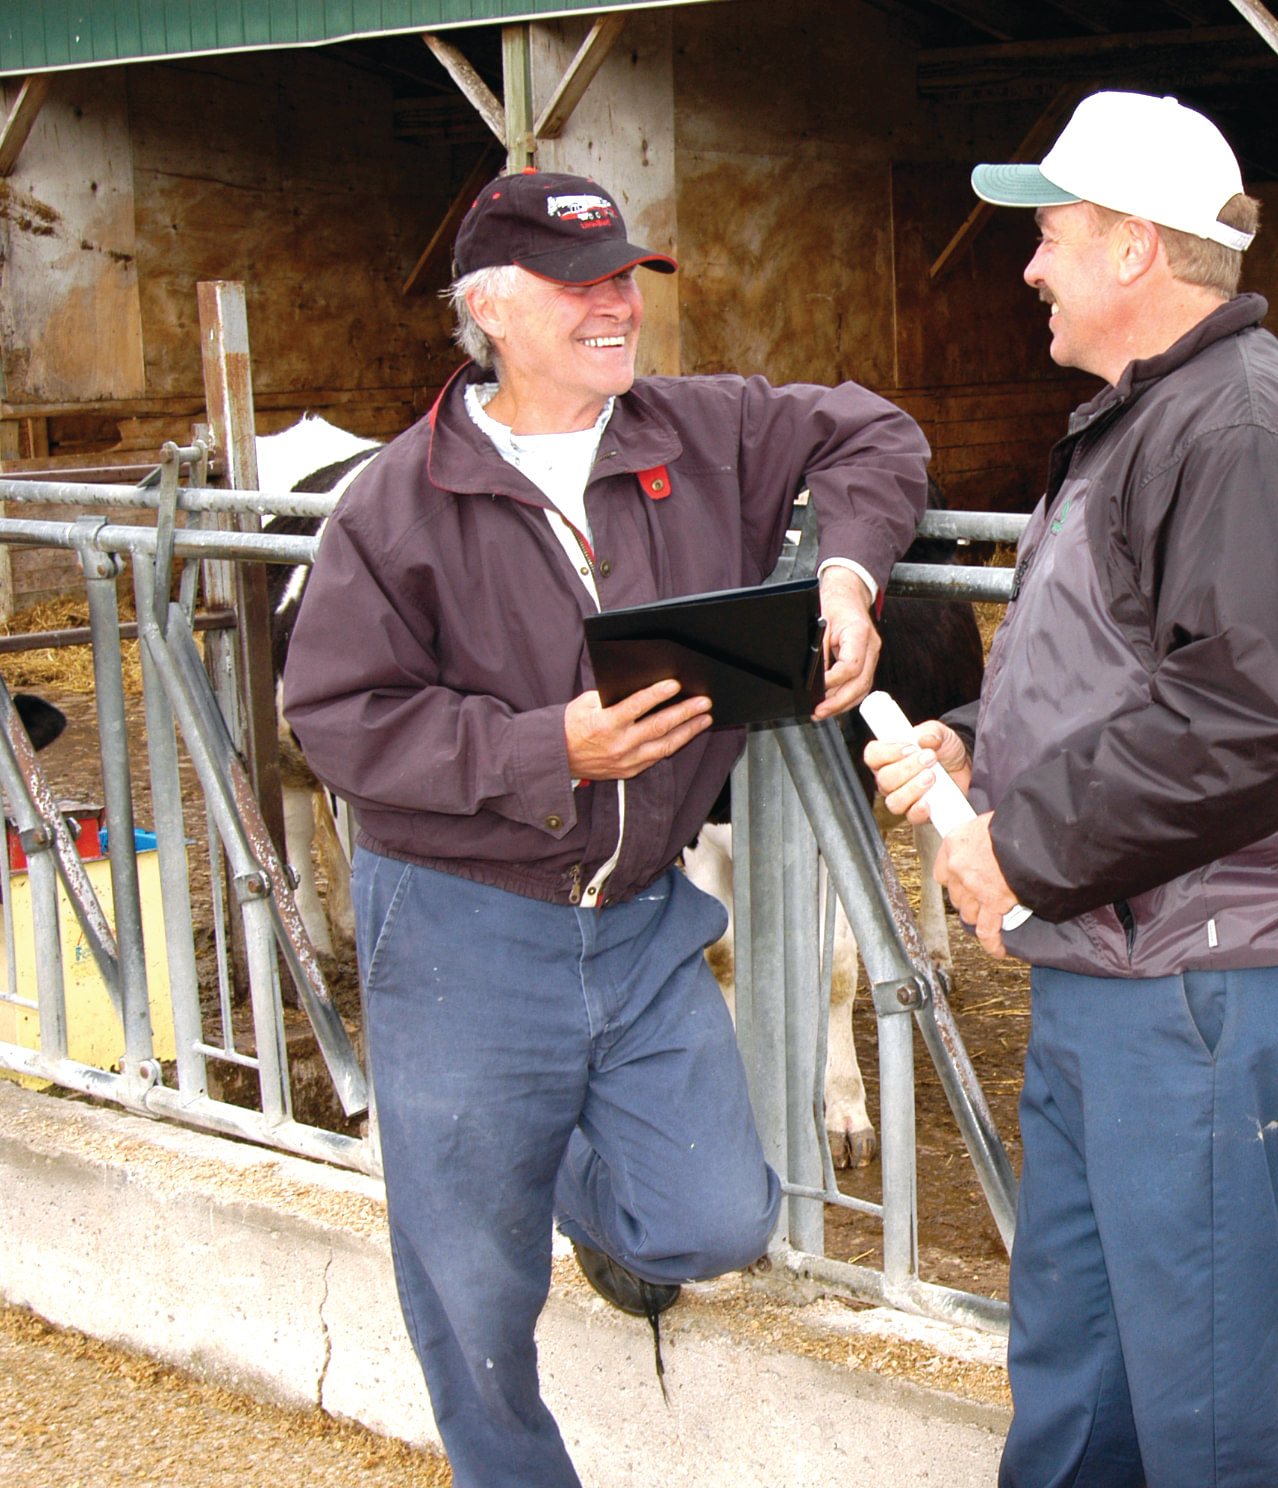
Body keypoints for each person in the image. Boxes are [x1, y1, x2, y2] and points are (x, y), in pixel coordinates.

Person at [282, 170, 928, 1488]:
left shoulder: (709, 432)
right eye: (581, 287)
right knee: (472, 1295)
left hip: (641, 921)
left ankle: (555, 1161)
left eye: (626, 278)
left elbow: (878, 434)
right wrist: (546, 747)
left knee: (715, 1219)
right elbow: (336, 720)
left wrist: (847, 575)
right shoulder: (398, 506)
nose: (617, 306)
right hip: (465, 923)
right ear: (493, 311)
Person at [869, 92, 1278, 1486]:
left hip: (1202, 974)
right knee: (1080, 1352)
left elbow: (1241, 728)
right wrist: (980, 743)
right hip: (1125, 954)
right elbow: (1122, 670)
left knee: (1192, 1385)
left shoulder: (1244, 440)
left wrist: (1021, 849)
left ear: (1130, 250)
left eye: (1047, 236)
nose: (1030, 267)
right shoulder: (1150, 419)